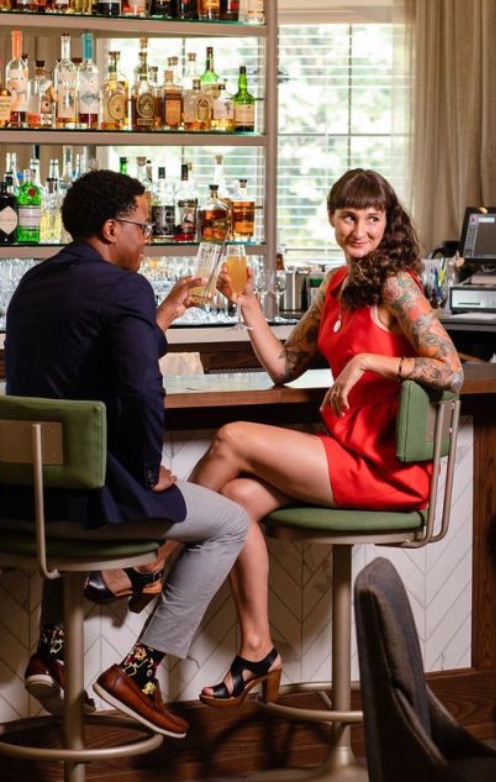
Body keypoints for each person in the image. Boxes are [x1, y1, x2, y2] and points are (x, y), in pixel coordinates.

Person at [186, 168, 463, 705]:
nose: (360, 230)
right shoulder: (336, 286)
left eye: (373, 219)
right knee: (238, 501)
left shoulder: (395, 284)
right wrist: (248, 307)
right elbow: (285, 366)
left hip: (383, 466)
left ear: (388, 223)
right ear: (333, 219)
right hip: (343, 452)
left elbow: (451, 369)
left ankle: (153, 560)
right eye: (349, 217)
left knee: (232, 438)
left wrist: (371, 361)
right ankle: (256, 650)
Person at [0, 168, 247, 739]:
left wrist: (158, 319)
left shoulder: (34, 281)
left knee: (66, 499)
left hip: (27, 499)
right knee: (230, 522)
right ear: (112, 229)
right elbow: (139, 388)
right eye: (142, 226)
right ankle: (138, 672)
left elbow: (84, 360)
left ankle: (52, 651)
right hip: (95, 499)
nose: (148, 238)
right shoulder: (123, 287)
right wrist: (143, 468)